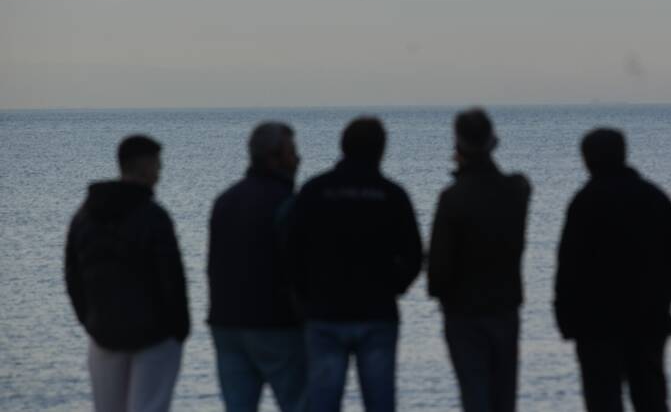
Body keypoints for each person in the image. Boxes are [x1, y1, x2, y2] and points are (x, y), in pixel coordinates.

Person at [287, 117, 423, 412]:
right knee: (380, 401)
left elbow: (292, 251)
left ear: (343, 146)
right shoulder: (392, 195)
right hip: (377, 311)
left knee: (322, 401)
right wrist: (393, 287)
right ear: (381, 150)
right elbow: (414, 254)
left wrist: (305, 294)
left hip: (324, 312)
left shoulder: (314, 191)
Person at [554, 128, 671, 412]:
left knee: (602, 400)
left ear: (587, 160)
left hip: (595, 324)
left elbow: (568, 268)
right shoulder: (654, 197)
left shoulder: (584, 202)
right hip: (648, 317)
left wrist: (565, 318)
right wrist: (663, 291)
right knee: (651, 397)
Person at [64, 134, 190, 412]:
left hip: (104, 331)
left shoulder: (84, 216)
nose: (160, 171)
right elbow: (171, 277)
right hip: (155, 334)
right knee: (149, 406)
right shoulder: (153, 216)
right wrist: (179, 328)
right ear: (144, 167)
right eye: (157, 164)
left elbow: (73, 276)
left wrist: (90, 321)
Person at [427, 108, 531, 412]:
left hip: (463, 311)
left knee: (475, 395)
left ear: (458, 145)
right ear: (492, 140)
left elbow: (438, 267)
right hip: (504, 306)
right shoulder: (515, 191)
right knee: (504, 397)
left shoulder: (453, 198)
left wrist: (440, 292)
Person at [207, 122, 306, 411]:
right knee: (297, 402)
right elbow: (298, 267)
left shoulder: (224, 201)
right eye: (292, 152)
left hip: (226, 324)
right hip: (276, 323)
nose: (298, 159)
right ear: (274, 158)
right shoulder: (288, 204)